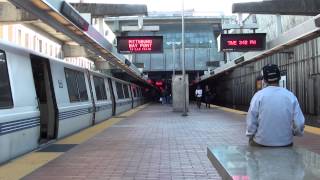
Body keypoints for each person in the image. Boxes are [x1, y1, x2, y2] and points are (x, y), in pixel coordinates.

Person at [246, 64, 305, 147]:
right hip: (286, 143)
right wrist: (296, 132)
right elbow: (299, 124)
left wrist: (250, 134)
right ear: (279, 78)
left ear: (264, 80)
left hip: (262, 142)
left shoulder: (258, 96)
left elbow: (251, 121)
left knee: (252, 146)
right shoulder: (290, 96)